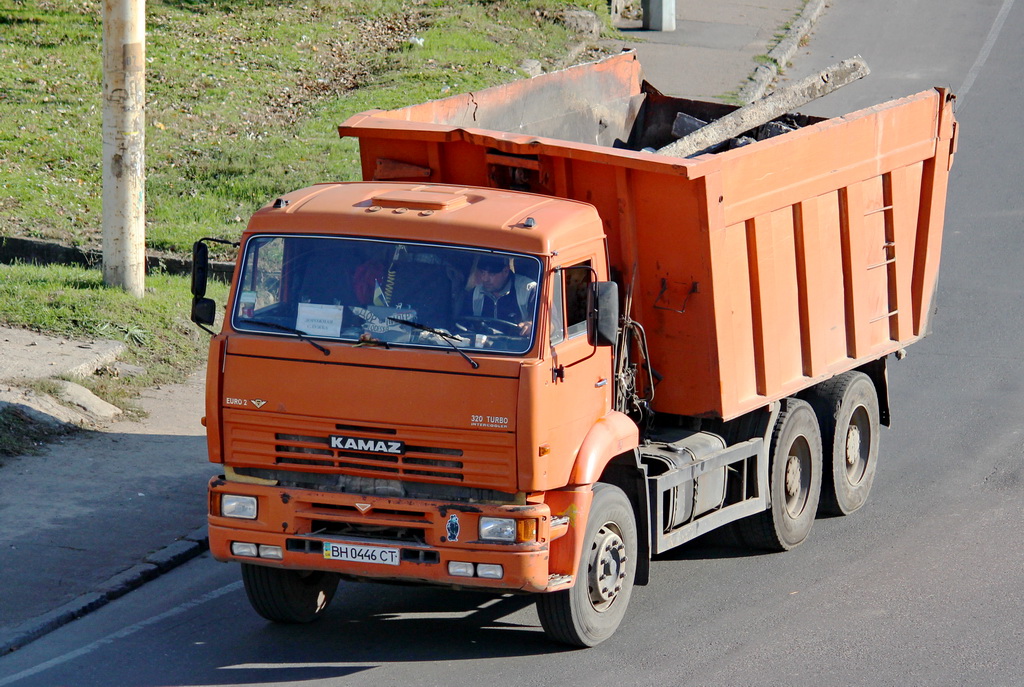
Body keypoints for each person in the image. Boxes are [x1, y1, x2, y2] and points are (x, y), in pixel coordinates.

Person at [465, 255, 537, 335]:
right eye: (482, 272)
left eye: (491, 274)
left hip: (518, 346)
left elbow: (551, 325)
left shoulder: (529, 290)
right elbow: (462, 324)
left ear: (506, 271)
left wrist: (533, 325)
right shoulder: (475, 293)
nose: (485, 279)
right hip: (482, 345)